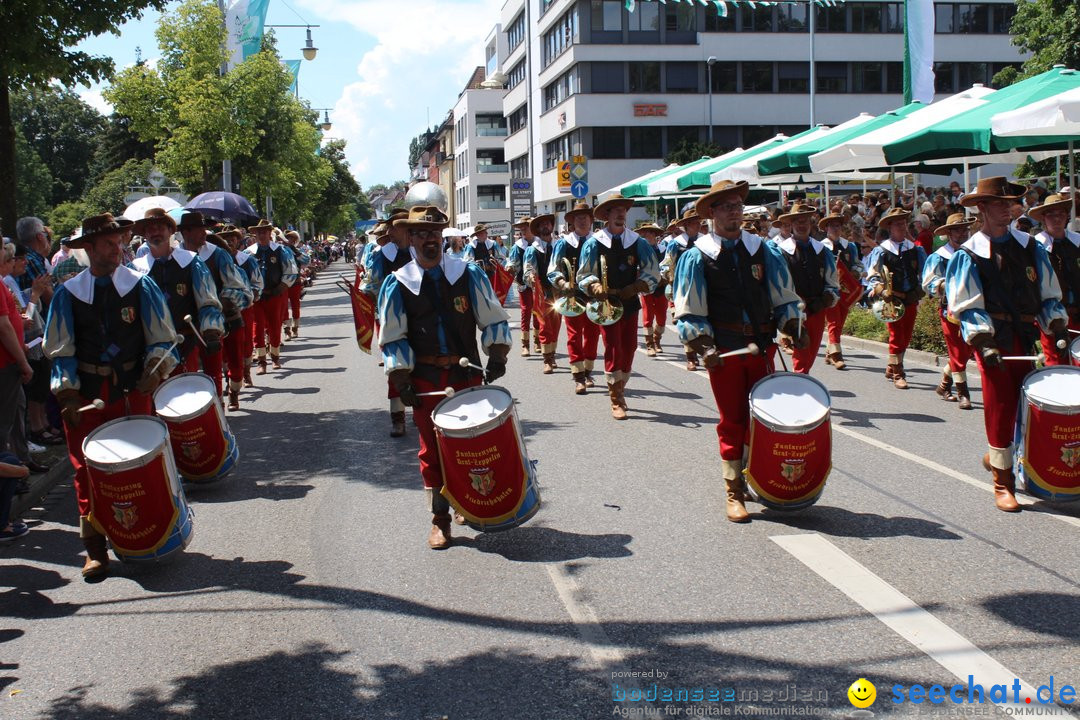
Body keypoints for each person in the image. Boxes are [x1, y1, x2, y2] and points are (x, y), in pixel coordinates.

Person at [43, 213, 180, 578]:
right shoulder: (68, 294)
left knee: (139, 462)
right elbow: (60, 350)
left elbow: (163, 338)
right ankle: (95, 549)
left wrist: (155, 369)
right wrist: (68, 394)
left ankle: (150, 533)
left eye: (120, 241)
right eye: (108, 243)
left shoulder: (140, 286)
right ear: (88, 248)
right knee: (85, 470)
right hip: (87, 395)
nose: (118, 248)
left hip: (132, 390)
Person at [377, 206, 511, 548]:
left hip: (465, 372)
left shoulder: (468, 274)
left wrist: (496, 353)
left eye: (434, 233)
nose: (428, 239)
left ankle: (468, 501)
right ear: (410, 238)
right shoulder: (397, 283)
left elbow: (492, 317)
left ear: (443, 236)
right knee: (431, 449)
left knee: (471, 442)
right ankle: (440, 519)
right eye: (420, 233)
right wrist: (402, 379)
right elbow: (393, 336)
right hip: (423, 377)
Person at [673, 180, 803, 523]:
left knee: (763, 418)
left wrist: (792, 326)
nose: (734, 211)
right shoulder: (697, 256)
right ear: (712, 213)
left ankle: (755, 475)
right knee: (732, 420)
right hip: (725, 351)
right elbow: (688, 309)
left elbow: (784, 294)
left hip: (761, 347)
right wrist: (703, 345)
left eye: (737, 205)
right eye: (726, 206)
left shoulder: (763, 249)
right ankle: (733, 490)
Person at [945, 177, 1068, 512]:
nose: (1008, 209)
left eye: (1011, 203)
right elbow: (965, 305)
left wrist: (1055, 324)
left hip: (1026, 336)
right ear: (982, 208)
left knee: (1026, 405)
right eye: (999, 204)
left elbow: (1047, 292)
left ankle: (1000, 456)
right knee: (1000, 405)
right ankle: (1003, 483)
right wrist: (983, 342)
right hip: (993, 339)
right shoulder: (969, 254)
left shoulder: (1031, 246)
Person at [576, 194, 659, 420]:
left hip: (630, 301)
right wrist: (594, 287)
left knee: (630, 346)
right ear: (607, 215)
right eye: (616, 210)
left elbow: (653, 271)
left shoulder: (638, 242)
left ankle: (620, 386)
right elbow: (583, 274)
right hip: (606, 304)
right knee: (613, 347)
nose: (621, 214)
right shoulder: (594, 242)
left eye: (624, 210)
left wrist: (639, 285)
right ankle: (616, 398)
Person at [131, 208, 223, 374]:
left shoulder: (191, 261)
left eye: (160, 228)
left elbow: (207, 299)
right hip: (151, 353)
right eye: (150, 229)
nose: (155, 232)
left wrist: (211, 331)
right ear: (144, 234)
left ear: (170, 231)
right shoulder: (135, 269)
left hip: (186, 343)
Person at [178, 211, 252, 402]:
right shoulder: (176, 258)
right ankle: (215, 410)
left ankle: (234, 390)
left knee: (235, 363)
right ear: (185, 232)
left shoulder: (218, 254)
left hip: (226, 318)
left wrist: (221, 302)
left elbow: (237, 287)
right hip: (190, 326)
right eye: (199, 229)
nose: (204, 232)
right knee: (204, 372)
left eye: (205, 228)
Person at [361, 210, 413, 438]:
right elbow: (370, 285)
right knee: (396, 365)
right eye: (391, 227)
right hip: (391, 317)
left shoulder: (419, 249)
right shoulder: (381, 255)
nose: (390, 231)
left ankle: (424, 411)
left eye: (395, 227)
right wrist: (370, 295)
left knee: (424, 364)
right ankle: (398, 417)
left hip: (421, 315)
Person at [772, 203, 839, 373]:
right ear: (791, 225)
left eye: (805, 222)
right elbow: (780, 283)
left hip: (817, 308)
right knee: (801, 350)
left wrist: (827, 297)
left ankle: (803, 377)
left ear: (811, 224)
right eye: (797, 222)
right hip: (794, 310)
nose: (801, 226)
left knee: (812, 349)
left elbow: (832, 280)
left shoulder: (822, 251)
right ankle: (800, 381)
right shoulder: (781, 251)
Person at [865, 207, 927, 389]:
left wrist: (920, 291)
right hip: (890, 300)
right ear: (890, 227)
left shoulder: (916, 250)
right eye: (897, 223)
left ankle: (892, 365)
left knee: (906, 336)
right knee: (895, 335)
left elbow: (924, 274)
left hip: (910, 298)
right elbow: (873, 275)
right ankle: (898, 372)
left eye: (903, 222)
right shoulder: (882, 251)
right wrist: (880, 289)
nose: (901, 226)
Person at [922, 212, 975, 409]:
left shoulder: (973, 253)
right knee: (957, 349)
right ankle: (963, 392)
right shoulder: (939, 256)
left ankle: (944, 384)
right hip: (950, 310)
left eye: (964, 229)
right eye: (957, 230)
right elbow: (927, 283)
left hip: (973, 308)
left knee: (967, 348)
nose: (962, 233)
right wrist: (945, 284)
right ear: (949, 233)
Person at [549, 201, 601, 393]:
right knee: (574, 335)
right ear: (572, 222)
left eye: (585, 217)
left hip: (594, 295)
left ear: (591, 220)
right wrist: (563, 283)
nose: (582, 221)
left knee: (593, 335)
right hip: (571, 295)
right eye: (578, 218)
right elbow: (553, 269)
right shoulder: (563, 243)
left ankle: (588, 372)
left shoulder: (599, 241)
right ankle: (578, 376)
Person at [1028, 194, 1079, 365]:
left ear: (1067, 216)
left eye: (1061, 214)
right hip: (1052, 315)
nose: (1057, 219)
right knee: (1057, 363)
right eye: (1051, 214)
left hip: (1078, 312)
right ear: (1043, 218)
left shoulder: (1077, 241)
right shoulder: (1034, 246)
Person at [245, 220, 298, 373]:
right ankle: (262, 361)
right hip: (256, 297)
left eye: (264, 231)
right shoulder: (248, 253)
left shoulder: (281, 250)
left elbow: (291, 270)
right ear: (255, 234)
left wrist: (282, 286)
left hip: (275, 294)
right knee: (258, 327)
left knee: (275, 326)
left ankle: (275, 357)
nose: (262, 234)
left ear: (270, 233)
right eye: (259, 232)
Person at [216, 225, 263, 390]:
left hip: (244, 308)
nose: (229, 241)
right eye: (225, 237)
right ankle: (230, 378)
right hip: (221, 310)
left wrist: (254, 294)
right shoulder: (215, 259)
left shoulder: (246, 259)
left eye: (232, 237)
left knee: (246, 341)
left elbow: (257, 282)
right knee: (223, 347)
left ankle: (246, 372)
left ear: (238, 240)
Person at [819, 212, 864, 370]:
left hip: (846, 291)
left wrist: (855, 272)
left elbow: (858, 264)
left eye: (838, 225)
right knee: (833, 321)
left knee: (840, 322)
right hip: (828, 290)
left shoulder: (849, 246)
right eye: (832, 226)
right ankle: (836, 355)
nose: (836, 229)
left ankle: (830, 351)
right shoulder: (820, 247)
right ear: (826, 228)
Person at [663, 208, 704, 370]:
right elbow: (666, 263)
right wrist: (670, 277)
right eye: (694, 222)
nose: (698, 225)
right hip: (683, 287)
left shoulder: (705, 240)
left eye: (699, 222)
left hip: (703, 287)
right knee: (687, 321)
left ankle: (705, 351)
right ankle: (690, 356)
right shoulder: (675, 243)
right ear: (686, 225)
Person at [523, 214, 562, 374]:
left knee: (556, 325)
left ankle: (552, 355)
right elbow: (527, 269)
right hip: (542, 292)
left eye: (548, 223)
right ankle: (547, 360)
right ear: (538, 229)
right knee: (545, 326)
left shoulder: (560, 245)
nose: (546, 226)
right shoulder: (532, 249)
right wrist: (531, 277)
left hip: (559, 292)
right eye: (542, 225)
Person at [505, 216, 541, 357]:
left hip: (538, 285)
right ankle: (525, 345)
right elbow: (512, 263)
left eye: (526, 227)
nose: (523, 231)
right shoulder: (517, 247)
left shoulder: (540, 244)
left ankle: (537, 341)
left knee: (538, 312)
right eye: (521, 229)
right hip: (523, 284)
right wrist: (509, 268)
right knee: (526, 312)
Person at [636, 222, 668, 357]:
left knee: (661, 317)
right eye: (645, 233)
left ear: (655, 234)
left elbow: (668, 264)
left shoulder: (663, 249)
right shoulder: (640, 249)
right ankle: (650, 345)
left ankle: (657, 339)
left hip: (661, 287)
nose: (647, 235)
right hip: (646, 287)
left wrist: (665, 277)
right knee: (647, 316)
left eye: (650, 232)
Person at [283, 231, 310, 339]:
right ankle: (286, 330)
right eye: (288, 238)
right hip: (283, 283)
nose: (290, 241)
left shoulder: (298, 251)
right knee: (284, 307)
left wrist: (295, 251)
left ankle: (295, 328)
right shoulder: (280, 251)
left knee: (295, 305)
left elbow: (306, 261)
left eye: (292, 239)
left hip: (295, 282)